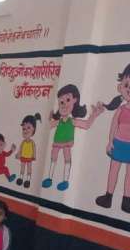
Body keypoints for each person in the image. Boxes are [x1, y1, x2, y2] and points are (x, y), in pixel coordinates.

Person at [42, 84, 104, 191]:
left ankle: (65, 181)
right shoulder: (59, 121)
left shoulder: (72, 121)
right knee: (53, 157)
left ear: (74, 100)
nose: (64, 104)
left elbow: (86, 125)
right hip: (57, 142)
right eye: (61, 101)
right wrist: (48, 117)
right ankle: (49, 178)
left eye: (67, 100)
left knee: (67, 158)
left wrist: (94, 115)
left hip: (67, 143)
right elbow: (49, 125)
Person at [97, 63, 130, 212]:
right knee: (113, 171)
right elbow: (113, 126)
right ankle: (108, 197)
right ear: (120, 87)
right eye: (127, 85)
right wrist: (110, 142)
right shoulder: (121, 109)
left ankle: (126, 200)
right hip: (118, 143)